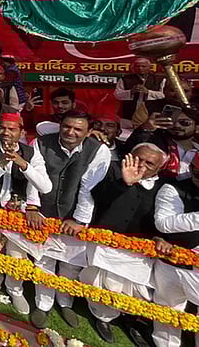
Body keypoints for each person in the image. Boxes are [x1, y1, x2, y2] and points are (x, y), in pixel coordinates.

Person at [6, 111, 111, 329]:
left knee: (71, 265)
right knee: (44, 259)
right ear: (60, 126)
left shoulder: (99, 150)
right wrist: (33, 207)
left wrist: (79, 220)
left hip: (75, 217)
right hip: (44, 211)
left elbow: (89, 188)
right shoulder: (42, 143)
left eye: (78, 129)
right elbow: (33, 176)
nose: (71, 132)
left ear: (88, 131)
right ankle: (43, 304)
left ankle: (65, 302)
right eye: (67, 127)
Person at [84, 143, 168, 344]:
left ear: (159, 168)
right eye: (140, 159)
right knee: (106, 285)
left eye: (150, 163)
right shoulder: (114, 169)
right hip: (106, 243)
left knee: (136, 289)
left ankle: (130, 320)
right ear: (130, 156)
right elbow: (97, 197)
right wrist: (125, 182)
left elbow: (162, 218)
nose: (143, 166)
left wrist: (159, 237)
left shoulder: (162, 187)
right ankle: (103, 318)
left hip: (138, 250)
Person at [0, 112, 51, 310]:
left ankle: (15, 289)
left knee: (17, 255)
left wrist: (22, 163)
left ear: (21, 132)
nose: (6, 132)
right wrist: (1, 162)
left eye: (12, 129)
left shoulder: (31, 153)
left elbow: (45, 187)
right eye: (3, 128)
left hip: (20, 213)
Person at [152, 153, 199, 347]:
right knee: (167, 311)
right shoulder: (173, 187)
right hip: (171, 264)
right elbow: (163, 223)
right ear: (191, 169)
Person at [115, 57, 165, 127]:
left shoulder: (160, 79)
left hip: (151, 114)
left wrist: (148, 92)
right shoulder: (125, 79)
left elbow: (163, 95)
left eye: (143, 66)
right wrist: (131, 92)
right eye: (137, 66)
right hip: (128, 115)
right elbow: (117, 95)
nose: (140, 68)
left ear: (149, 67)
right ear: (133, 67)